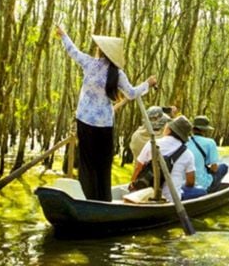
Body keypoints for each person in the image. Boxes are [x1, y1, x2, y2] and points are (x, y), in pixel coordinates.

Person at [56, 26, 156, 201]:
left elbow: (73, 51)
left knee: (87, 164)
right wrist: (147, 83)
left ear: (100, 51)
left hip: (84, 121)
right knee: (103, 164)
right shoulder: (117, 73)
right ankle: (104, 199)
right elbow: (132, 94)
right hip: (104, 125)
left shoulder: (90, 63)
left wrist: (64, 34)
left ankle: (87, 199)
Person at [130, 115, 207, 201]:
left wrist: (132, 188)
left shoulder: (152, 144)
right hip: (172, 198)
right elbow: (190, 182)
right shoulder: (188, 154)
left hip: (147, 195)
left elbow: (138, 168)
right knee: (202, 191)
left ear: (169, 129)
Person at [186, 116, 228, 193]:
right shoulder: (210, 142)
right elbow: (214, 168)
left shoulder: (184, 141)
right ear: (205, 130)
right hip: (202, 184)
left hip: (185, 181)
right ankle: (213, 189)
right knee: (224, 167)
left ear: (192, 129)